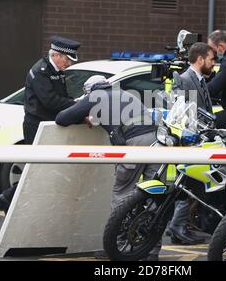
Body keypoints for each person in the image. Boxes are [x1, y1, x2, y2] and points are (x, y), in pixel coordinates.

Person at [55, 75, 160, 260]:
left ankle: (117, 248)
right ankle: (151, 251)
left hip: (134, 142)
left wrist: (83, 118)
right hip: (156, 140)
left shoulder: (95, 96)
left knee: (122, 194)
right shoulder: (123, 93)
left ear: (90, 90)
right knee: (154, 197)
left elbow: (62, 118)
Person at [0, 35, 80, 212]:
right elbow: (50, 101)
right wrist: (76, 105)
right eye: (67, 60)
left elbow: (62, 97)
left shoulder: (55, 70)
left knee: (45, 168)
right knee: (39, 168)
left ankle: (14, 198)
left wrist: (74, 103)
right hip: (37, 125)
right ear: (56, 55)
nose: (69, 64)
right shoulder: (41, 71)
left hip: (48, 125)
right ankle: (8, 197)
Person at [168, 42, 215, 245]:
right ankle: (177, 226)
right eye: (212, 59)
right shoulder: (184, 80)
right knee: (186, 184)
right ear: (200, 59)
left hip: (199, 141)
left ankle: (180, 227)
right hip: (188, 142)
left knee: (193, 185)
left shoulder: (200, 80)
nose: (214, 64)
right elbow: (178, 111)